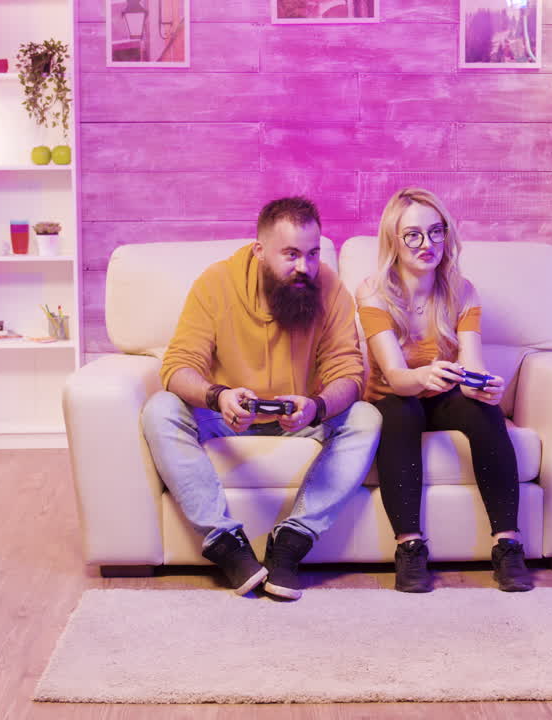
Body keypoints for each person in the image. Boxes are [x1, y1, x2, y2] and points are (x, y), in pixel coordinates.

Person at [140, 196, 381, 600]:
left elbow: (350, 373)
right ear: (259, 250)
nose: (303, 268)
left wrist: (316, 407)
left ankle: (291, 541)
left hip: (302, 418)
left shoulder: (330, 288)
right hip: (227, 414)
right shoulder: (215, 283)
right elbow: (177, 365)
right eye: (290, 254)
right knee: (160, 409)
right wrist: (217, 397)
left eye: (311, 254)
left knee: (366, 417)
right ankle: (226, 544)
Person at [355, 188, 534, 593]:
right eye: (413, 235)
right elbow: (397, 375)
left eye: (436, 232)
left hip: (443, 391)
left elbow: (472, 363)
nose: (427, 244)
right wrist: (424, 376)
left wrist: (486, 386)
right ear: (394, 242)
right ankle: (410, 547)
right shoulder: (373, 291)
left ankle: (507, 544)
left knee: (486, 412)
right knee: (403, 412)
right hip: (395, 393)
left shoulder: (462, 290)